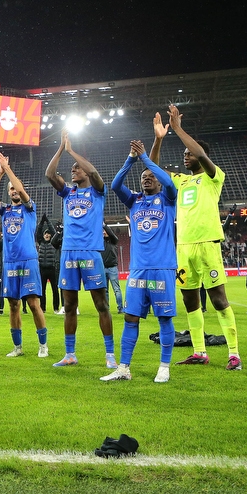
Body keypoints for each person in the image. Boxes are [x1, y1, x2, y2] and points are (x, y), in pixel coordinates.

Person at [150, 106, 241, 370]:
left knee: (218, 299)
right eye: (184, 154)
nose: (186, 156)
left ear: (202, 157)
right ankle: (199, 351)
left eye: (189, 153)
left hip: (208, 244)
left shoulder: (214, 177)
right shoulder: (181, 181)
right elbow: (154, 169)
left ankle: (234, 353)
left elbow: (199, 151)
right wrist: (159, 139)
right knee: (190, 300)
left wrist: (178, 129)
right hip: (184, 247)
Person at [104, 139, 178, 382]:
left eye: (150, 176)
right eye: (143, 177)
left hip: (162, 268)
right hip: (137, 270)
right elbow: (115, 184)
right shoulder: (134, 200)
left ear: (158, 179)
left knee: (164, 318)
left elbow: (168, 181)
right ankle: (124, 368)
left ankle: (164, 367)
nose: (146, 178)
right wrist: (131, 159)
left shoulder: (168, 198)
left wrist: (146, 158)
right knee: (130, 317)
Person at [45, 129, 115, 368]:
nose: (73, 169)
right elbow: (50, 173)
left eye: (77, 167)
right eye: (72, 167)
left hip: (90, 252)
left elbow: (94, 172)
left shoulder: (97, 191)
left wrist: (73, 150)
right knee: (69, 306)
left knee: (101, 305)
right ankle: (70, 354)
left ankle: (109, 356)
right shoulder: (68, 192)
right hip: (68, 253)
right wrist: (61, 149)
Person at [0, 152, 48, 358]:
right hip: (9, 262)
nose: (14, 191)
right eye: (11, 190)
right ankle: (18, 347)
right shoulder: (4, 211)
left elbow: (20, 187)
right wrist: (1, 173)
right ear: (8, 193)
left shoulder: (30, 209)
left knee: (33, 303)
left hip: (28, 261)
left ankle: (43, 345)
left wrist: (9, 169)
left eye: (16, 189)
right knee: (13, 305)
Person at [36, 218, 61, 314]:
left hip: (52, 268)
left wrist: (49, 222)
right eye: (45, 234)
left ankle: (56, 308)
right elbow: (38, 232)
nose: (47, 235)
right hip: (42, 269)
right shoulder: (41, 242)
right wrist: (42, 222)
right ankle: (43, 308)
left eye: (48, 233)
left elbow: (54, 232)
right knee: (42, 290)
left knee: (55, 289)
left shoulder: (53, 243)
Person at [102, 223, 124, 313]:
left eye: (105, 231)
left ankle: (120, 308)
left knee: (116, 289)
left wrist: (104, 226)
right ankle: (106, 308)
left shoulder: (114, 240)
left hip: (112, 268)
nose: (104, 232)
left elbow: (111, 233)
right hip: (103, 268)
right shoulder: (101, 242)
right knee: (105, 290)